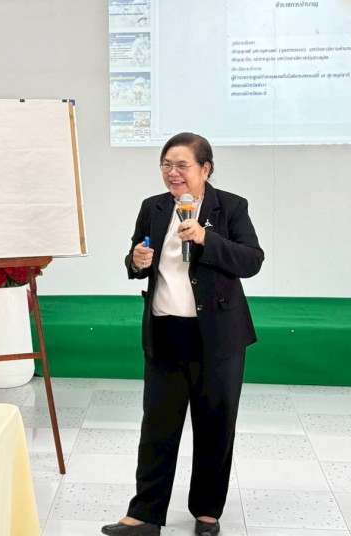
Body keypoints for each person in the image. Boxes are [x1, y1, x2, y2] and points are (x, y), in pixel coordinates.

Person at [102, 133, 264, 536]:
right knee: (157, 428)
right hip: (165, 332)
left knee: (214, 427)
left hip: (217, 338)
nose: (172, 173)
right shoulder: (153, 207)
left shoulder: (231, 207)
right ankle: (145, 514)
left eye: (182, 165)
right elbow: (138, 255)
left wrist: (207, 238)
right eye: (166, 165)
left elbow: (251, 260)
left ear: (205, 169)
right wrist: (136, 261)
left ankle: (207, 512)